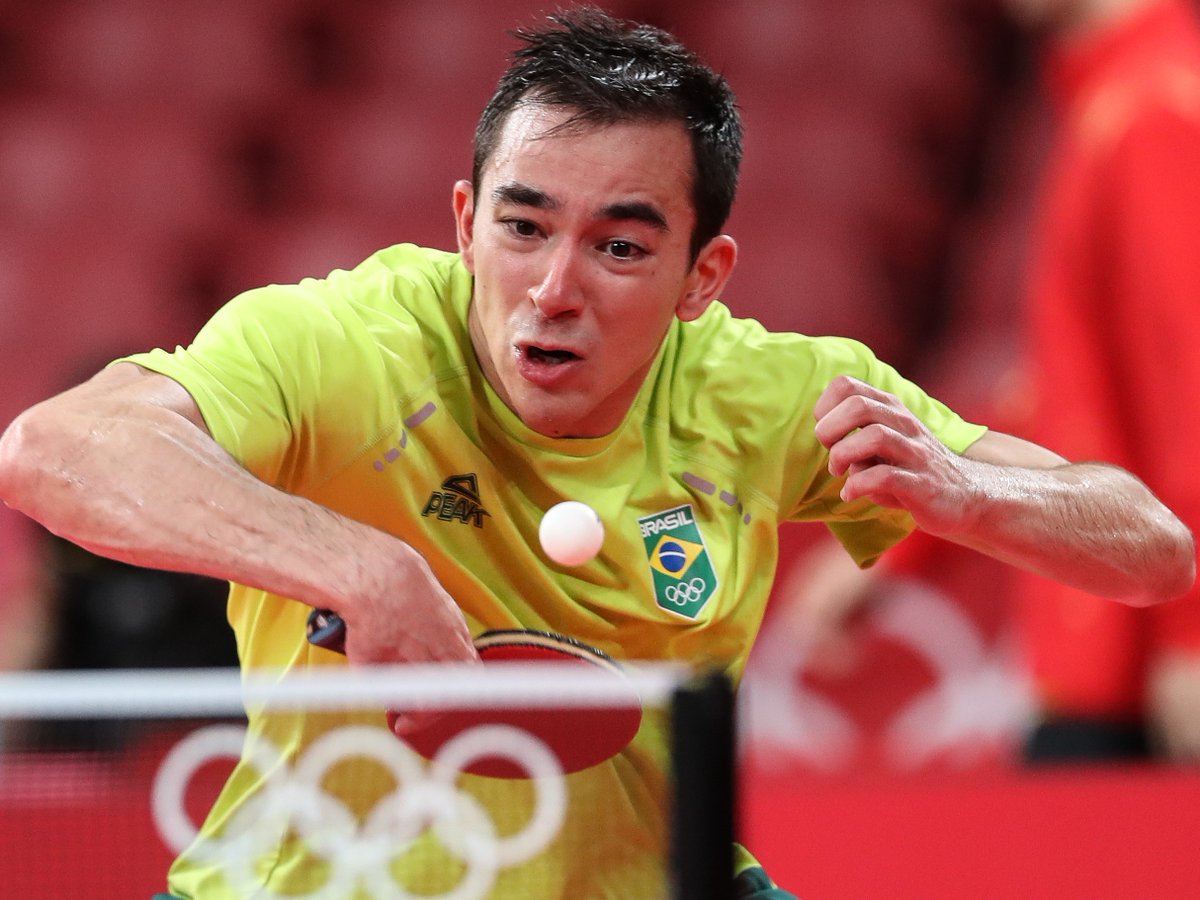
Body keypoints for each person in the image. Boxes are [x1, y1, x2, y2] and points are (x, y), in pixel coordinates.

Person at [0, 7, 1192, 898]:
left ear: (700, 277)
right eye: (522, 227)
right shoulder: (340, 344)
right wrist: (356, 567)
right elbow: (54, 450)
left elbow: (1154, 550)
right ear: (466, 222)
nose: (554, 290)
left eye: (620, 247)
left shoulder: (764, 393)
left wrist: (967, 490)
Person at [1001, 0, 1200, 763]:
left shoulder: (1152, 110)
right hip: (1104, 637)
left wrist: (1191, 630)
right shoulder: (1110, 103)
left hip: (1128, 660)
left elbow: (1187, 386)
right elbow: (1062, 385)